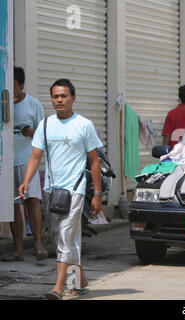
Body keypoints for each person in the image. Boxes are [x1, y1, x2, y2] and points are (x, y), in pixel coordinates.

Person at [18, 79, 103, 300]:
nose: (59, 100)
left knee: (65, 235)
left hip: (75, 190)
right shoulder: (46, 125)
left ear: (73, 98)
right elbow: (35, 156)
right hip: (51, 191)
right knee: (63, 238)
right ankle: (79, 281)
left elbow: (94, 162)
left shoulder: (84, 125)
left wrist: (98, 194)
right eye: (55, 96)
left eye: (64, 96)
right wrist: (26, 181)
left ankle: (58, 286)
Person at [2, 67, 47, 262]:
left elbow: (44, 133)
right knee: (13, 205)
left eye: (13, 86)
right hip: (6, 161)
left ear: (20, 85)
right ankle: (18, 249)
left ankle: (38, 246)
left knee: (33, 201)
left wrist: (32, 133)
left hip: (28, 160)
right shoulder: (3, 103)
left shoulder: (33, 104)